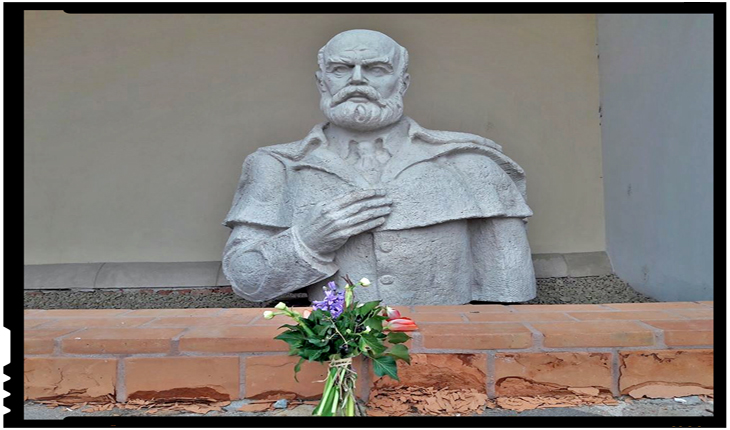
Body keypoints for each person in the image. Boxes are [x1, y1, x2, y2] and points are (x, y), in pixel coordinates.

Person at [222, 29, 536, 305]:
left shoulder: (469, 163)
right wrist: (307, 240)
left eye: (376, 68)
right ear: (322, 81)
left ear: (402, 82)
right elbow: (247, 281)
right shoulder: (277, 166)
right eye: (341, 68)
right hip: (335, 352)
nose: (357, 79)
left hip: (447, 353)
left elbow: (508, 294)